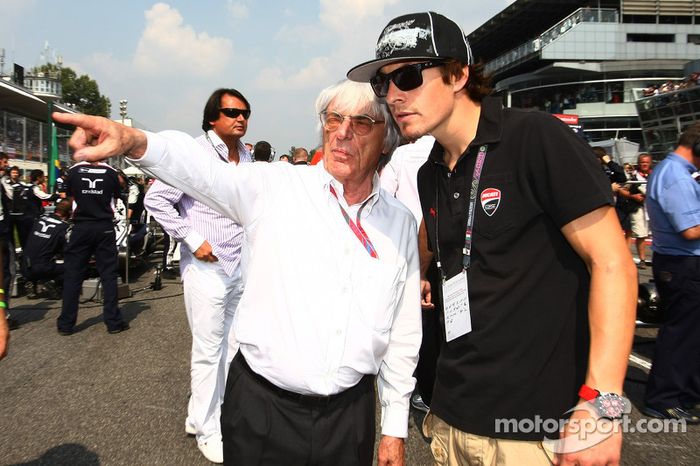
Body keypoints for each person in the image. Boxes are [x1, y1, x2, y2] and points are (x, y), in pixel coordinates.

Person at [53, 79, 421, 466]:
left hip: (350, 420)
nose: (342, 133)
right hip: (262, 411)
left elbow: (404, 332)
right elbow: (203, 173)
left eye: (361, 122)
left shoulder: (399, 224)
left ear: (387, 140)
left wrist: (394, 428)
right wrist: (134, 140)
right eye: (333, 120)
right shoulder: (276, 187)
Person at [347, 11, 637, 465]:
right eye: (383, 85)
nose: (394, 96)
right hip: (451, 419)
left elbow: (615, 265)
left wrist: (603, 407)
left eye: (407, 76)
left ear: (459, 74)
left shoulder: (536, 138)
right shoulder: (430, 172)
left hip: (534, 430)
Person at [144, 87, 253, 464]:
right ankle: (209, 429)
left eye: (245, 111)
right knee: (208, 351)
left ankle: (202, 415)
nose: (240, 117)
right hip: (207, 267)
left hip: (240, 265)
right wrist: (192, 238)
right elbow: (154, 199)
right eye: (231, 111)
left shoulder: (248, 155)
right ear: (212, 117)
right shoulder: (194, 153)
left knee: (233, 347)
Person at [642, 123, 700, 424]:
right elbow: (690, 230)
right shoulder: (675, 175)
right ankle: (664, 399)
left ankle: (684, 394)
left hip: (681, 262)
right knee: (681, 335)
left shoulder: (674, 171)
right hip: (683, 263)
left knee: (690, 334)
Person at [380, 135, 440, 410]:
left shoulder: (402, 155)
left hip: (406, 243)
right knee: (437, 318)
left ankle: (406, 380)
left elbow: (382, 194)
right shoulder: (447, 150)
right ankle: (431, 385)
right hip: (444, 241)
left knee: (407, 314)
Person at [57, 160, 129, 336]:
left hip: (81, 226)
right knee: (109, 275)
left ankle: (66, 324)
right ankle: (113, 322)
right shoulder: (111, 172)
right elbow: (118, 196)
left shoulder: (73, 171)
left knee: (73, 275)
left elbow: (66, 197)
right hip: (104, 226)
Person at [21, 199, 71, 289]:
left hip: (24, 264)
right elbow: (68, 251)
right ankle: (54, 282)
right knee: (73, 266)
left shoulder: (39, 220)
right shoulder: (63, 228)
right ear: (69, 213)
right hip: (41, 267)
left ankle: (31, 281)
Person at [618, 153, 653, 268]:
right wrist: (633, 196)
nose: (644, 164)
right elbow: (621, 190)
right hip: (638, 208)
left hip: (653, 208)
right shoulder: (633, 176)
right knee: (640, 234)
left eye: (646, 162)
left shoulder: (655, 175)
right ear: (638, 163)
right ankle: (642, 259)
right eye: (642, 162)